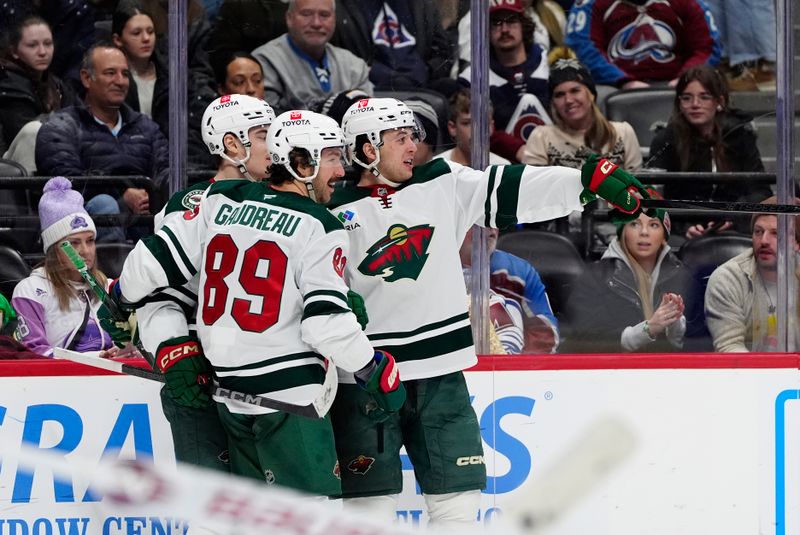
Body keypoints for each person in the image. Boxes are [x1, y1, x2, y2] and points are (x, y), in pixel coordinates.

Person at [328, 97, 645, 528]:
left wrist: (584, 184)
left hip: (441, 373)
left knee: (457, 503)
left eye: (413, 136)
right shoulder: (327, 212)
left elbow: (513, 186)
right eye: (400, 138)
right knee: (366, 510)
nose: (413, 146)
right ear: (368, 149)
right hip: (366, 379)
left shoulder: (442, 182)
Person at [110, 109, 405, 500]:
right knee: (303, 523)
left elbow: (151, 262)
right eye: (332, 157)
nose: (341, 170)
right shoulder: (320, 224)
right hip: (291, 397)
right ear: (302, 163)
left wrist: (119, 298)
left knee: (250, 521)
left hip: (229, 394)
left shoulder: (220, 202)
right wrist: (372, 367)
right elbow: (324, 324)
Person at [100, 94, 277, 474]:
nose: (275, 145)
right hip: (205, 371)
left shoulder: (286, 203)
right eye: (264, 135)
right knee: (211, 512)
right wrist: (173, 346)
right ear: (232, 144)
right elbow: (157, 290)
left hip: (269, 374)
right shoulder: (197, 204)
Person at [35, 42, 170, 241]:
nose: (120, 81)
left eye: (125, 74)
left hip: (142, 218)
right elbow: (66, 184)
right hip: (81, 225)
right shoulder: (61, 126)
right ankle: (109, 269)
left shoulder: (145, 127)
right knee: (104, 204)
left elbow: (165, 169)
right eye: (110, 73)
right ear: (86, 78)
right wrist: (122, 195)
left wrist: (150, 194)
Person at [648, 65, 772, 238]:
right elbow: (655, 196)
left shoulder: (740, 135)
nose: (695, 105)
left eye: (704, 97)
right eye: (686, 98)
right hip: (679, 232)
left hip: (734, 226)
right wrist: (684, 226)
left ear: (719, 101)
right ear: (679, 103)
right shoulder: (666, 140)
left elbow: (760, 191)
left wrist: (733, 216)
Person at [11, 177, 116, 358]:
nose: (84, 251)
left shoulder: (109, 287)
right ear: (54, 250)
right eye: (73, 243)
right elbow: (34, 354)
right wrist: (96, 359)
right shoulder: (30, 291)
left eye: (90, 241)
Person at [565, 208, 691, 353]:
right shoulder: (594, 277)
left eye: (654, 225)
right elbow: (584, 339)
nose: (644, 232)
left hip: (669, 372)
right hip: (611, 371)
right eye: (634, 224)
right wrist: (645, 330)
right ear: (622, 232)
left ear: (664, 235)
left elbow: (700, 344)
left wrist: (675, 327)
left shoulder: (684, 276)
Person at [111, 1, 218, 169]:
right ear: (118, 40)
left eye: (150, 31)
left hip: (169, 160)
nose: (146, 38)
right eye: (136, 33)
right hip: (129, 161)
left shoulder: (177, 77)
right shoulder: (112, 83)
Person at [705, 197, 800, 352]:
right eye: (758, 232)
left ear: (796, 243)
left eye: (775, 233)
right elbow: (729, 347)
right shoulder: (727, 279)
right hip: (746, 374)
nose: (764, 241)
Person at [251, 0, 373, 114]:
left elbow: (369, 115)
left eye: (324, 15)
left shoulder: (354, 66)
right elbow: (268, 121)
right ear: (289, 18)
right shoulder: (264, 61)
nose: (316, 23)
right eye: (306, 14)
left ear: (335, 19)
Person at [565, 0, 721, 88]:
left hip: (679, 82)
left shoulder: (689, 3)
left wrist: (686, 79)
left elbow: (706, 47)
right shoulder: (590, 4)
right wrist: (624, 81)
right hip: (612, 85)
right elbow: (583, 48)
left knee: (705, 92)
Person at [458, 0, 550, 147]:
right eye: (496, 23)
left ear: (524, 26)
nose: (505, 29)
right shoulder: (472, 78)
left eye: (512, 21)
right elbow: (473, 131)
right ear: (486, 31)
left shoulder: (550, 65)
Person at [523, 59, 642, 172]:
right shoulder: (541, 137)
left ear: (591, 95)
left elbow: (639, 187)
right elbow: (534, 188)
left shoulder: (623, 132)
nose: (568, 100)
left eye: (575, 91)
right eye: (559, 95)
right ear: (553, 103)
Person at [0, 15, 76, 172]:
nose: (43, 52)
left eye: (48, 44)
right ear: (14, 51)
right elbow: (23, 135)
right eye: (32, 45)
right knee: (32, 131)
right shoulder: (6, 83)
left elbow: (80, 120)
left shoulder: (56, 84)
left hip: (56, 158)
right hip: (10, 168)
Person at [329, 0, 456, 92]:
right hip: (369, 91)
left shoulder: (421, 4)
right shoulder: (339, 6)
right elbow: (333, 52)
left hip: (422, 88)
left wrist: (427, 71)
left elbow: (443, 52)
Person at [435, 88, 511, 166]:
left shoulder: (502, 167)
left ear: (491, 126)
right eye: (467, 123)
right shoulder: (437, 169)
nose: (477, 131)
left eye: (484, 123)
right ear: (453, 128)